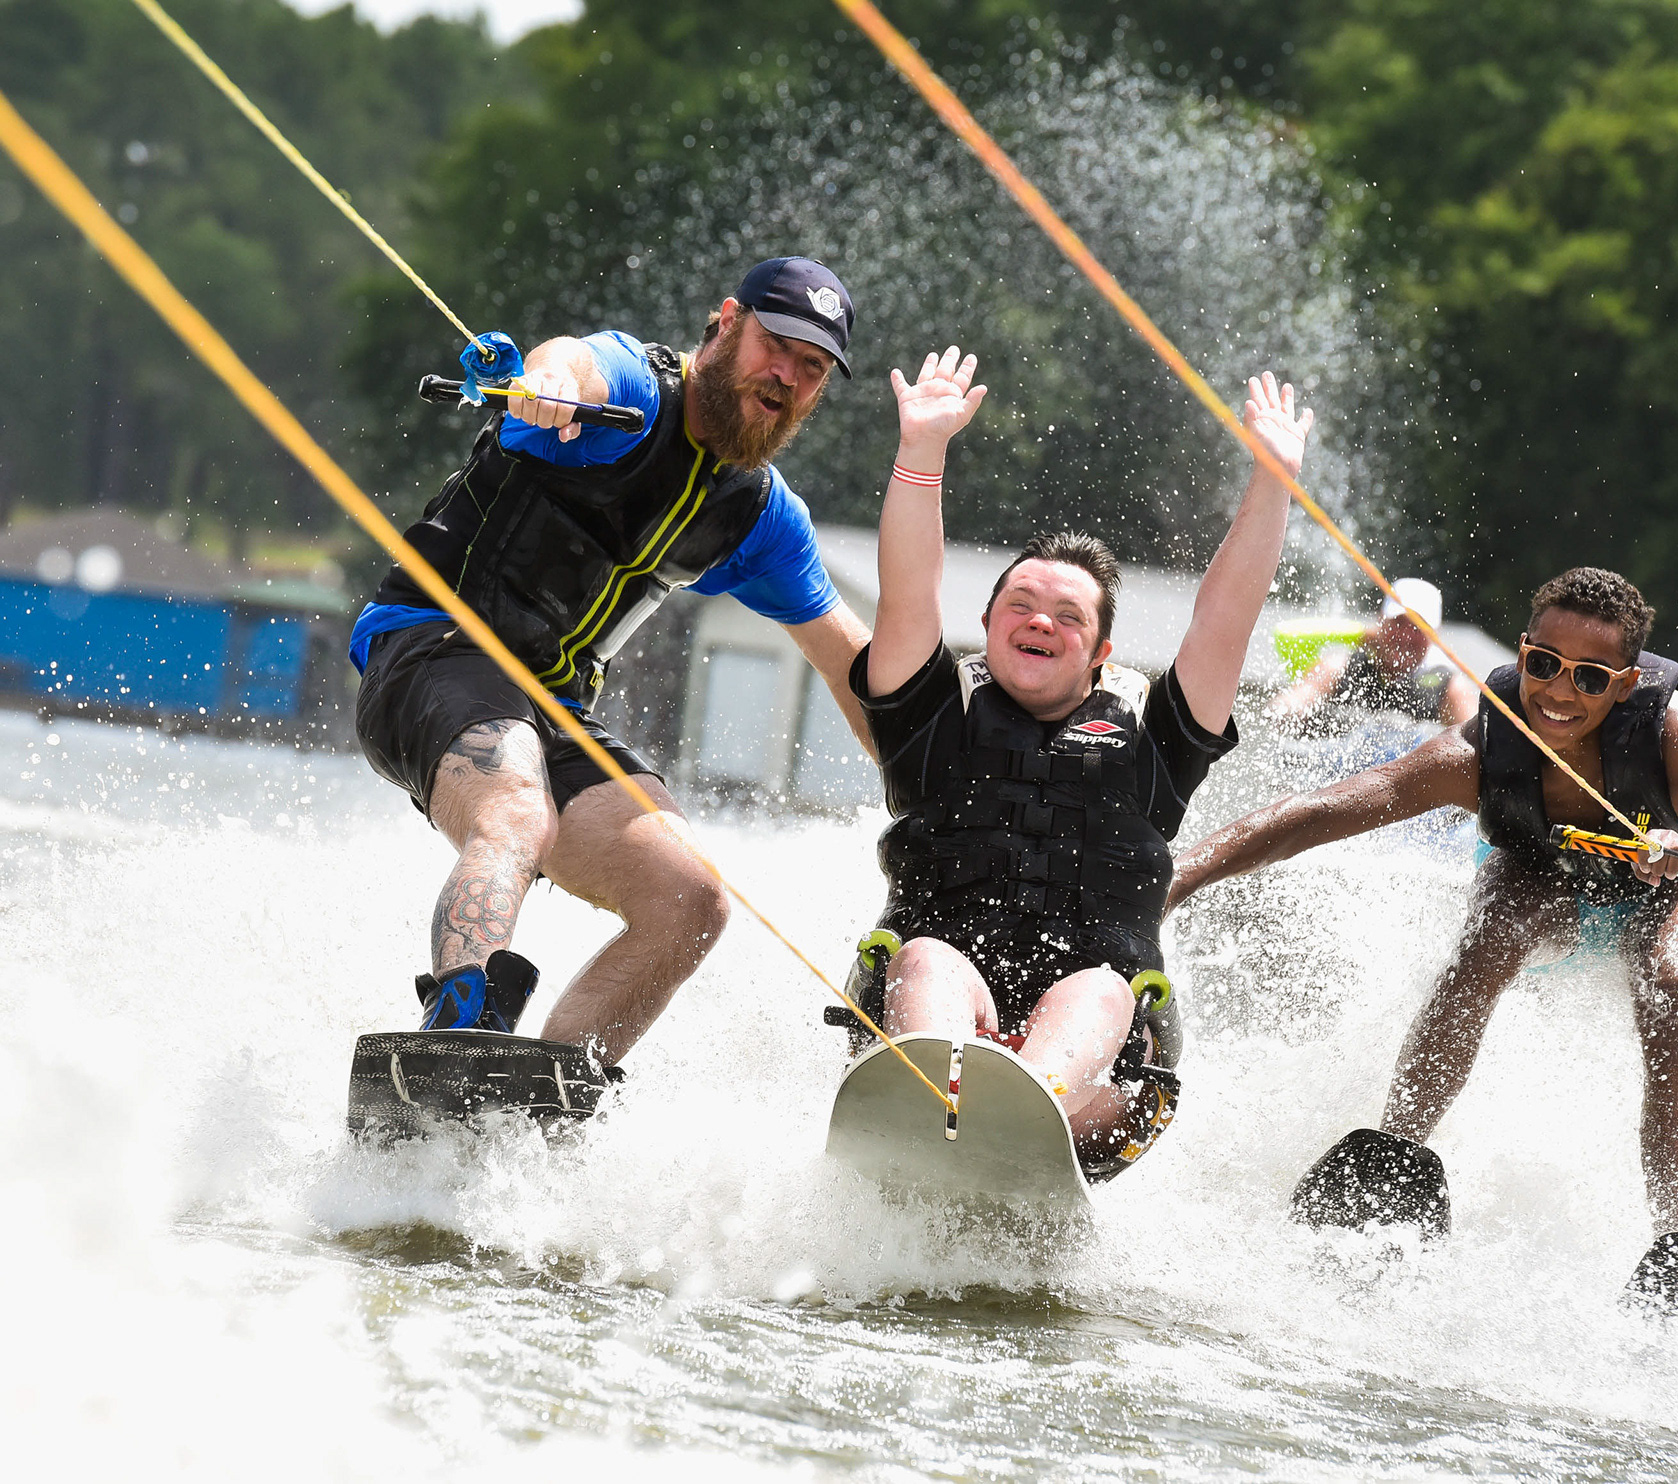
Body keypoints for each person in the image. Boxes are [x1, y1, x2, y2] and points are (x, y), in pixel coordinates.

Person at [351, 257, 875, 1063]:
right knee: (519, 811)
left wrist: (942, 798)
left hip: (549, 705)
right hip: (428, 648)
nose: (785, 376)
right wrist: (547, 385)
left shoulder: (761, 515)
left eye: (811, 368)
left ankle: (545, 1106)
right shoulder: (631, 391)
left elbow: (858, 672)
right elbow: (574, 360)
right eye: (775, 345)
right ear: (726, 323)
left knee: (690, 901)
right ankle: (456, 1037)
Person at [1167, 567, 1678, 1237]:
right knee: (1489, 941)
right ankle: (1394, 1160)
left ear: (1624, 685)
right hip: (1548, 878)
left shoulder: (1674, 731)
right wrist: (1175, 878)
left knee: (1672, 986)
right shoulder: (1480, 747)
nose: (1560, 693)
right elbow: (1321, 812)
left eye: (1591, 678)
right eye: (1544, 664)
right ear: (1522, 652)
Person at [846, 344, 1314, 1180]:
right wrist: (921, 453)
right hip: (929, 1021)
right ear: (988, 629)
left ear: (1100, 655)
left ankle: (1016, 1106)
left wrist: (1272, 481)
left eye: (1067, 615)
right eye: (1019, 604)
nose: (1040, 619)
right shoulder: (931, 719)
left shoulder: (1155, 742)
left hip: (1099, 1080)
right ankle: (944, 1103)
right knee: (926, 959)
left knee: (1099, 991)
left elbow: (1223, 621)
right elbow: (908, 593)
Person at [1267, 578, 1476, 730]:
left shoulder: (1449, 687)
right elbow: (1292, 699)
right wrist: (1361, 635)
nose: (1405, 636)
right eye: (1398, 623)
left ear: (1434, 635)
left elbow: (1479, 746)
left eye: (1418, 628)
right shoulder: (1340, 667)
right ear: (1380, 622)